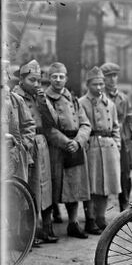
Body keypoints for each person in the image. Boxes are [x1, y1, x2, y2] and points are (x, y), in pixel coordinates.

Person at [1, 59, 36, 265]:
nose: (7, 76)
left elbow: (28, 126)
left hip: (12, 163)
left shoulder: (14, 100)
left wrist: (23, 144)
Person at [12, 60, 58, 243]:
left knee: (42, 187)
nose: (37, 84)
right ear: (22, 79)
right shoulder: (16, 96)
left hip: (41, 143)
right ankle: (23, 234)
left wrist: (43, 102)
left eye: (39, 80)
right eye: (32, 80)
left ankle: (40, 229)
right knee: (26, 187)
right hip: (25, 145)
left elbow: (54, 121)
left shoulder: (40, 96)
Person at [45, 62, 91, 239]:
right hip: (57, 149)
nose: (58, 80)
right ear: (49, 78)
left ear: (66, 78)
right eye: (54, 76)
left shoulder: (72, 98)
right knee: (53, 186)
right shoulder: (45, 99)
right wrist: (66, 142)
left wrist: (78, 141)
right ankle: (47, 225)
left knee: (74, 186)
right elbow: (47, 127)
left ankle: (73, 223)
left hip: (75, 148)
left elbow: (85, 123)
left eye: (61, 76)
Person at [79, 67, 121, 234]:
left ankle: (101, 218)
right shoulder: (81, 102)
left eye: (101, 84)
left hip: (109, 147)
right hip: (92, 145)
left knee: (106, 185)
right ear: (88, 84)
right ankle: (90, 220)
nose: (99, 87)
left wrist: (117, 145)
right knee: (91, 185)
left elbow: (116, 127)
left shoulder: (110, 104)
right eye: (95, 84)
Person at [100, 62, 132, 212]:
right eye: (109, 77)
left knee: (125, 174)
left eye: (115, 76)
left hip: (124, 138)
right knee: (106, 171)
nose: (112, 79)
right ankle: (102, 208)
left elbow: (130, 117)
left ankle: (125, 203)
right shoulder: (101, 96)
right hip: (107, 138)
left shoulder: (124, 98)